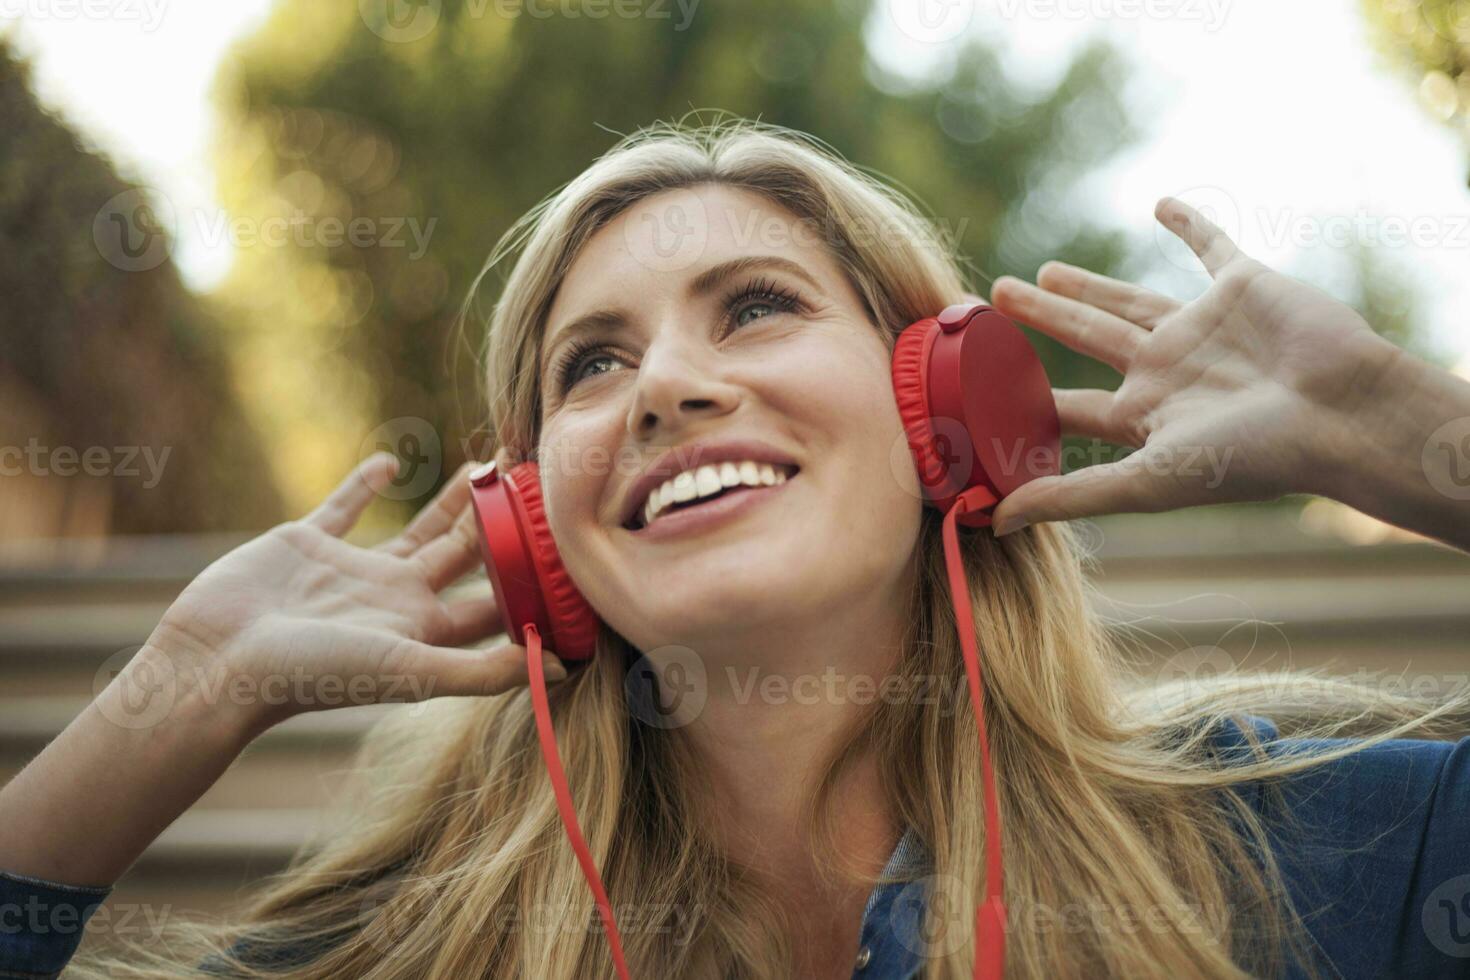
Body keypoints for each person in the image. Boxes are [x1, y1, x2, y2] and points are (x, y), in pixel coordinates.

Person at [2, 118, 1468, 980]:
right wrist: (180, 691)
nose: (661, 387)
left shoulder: (1332, 854)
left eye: (756, 306)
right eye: (589, 364)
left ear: (945, 415)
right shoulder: (406, 948)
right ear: (539, 537)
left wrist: (1406, 436)